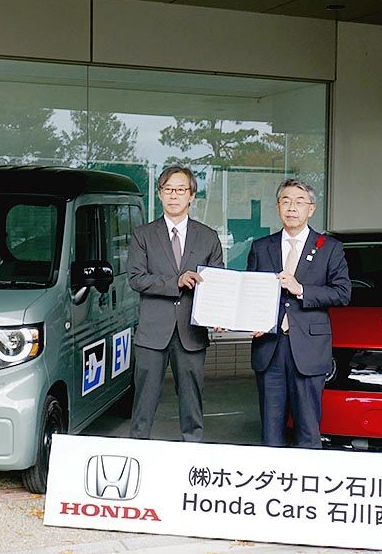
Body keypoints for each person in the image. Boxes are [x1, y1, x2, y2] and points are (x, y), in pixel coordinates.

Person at [248, 178, 351, 448]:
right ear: (277, 207)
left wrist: (301, 289)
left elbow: (342, 293)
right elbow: (251, 294)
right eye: (286, 201)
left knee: (308, 429)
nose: (292, 207)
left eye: (299, 202)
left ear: (311, 209)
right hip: (269, 347)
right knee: (271, 431)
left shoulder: (330, 247)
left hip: (309, 348)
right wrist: (244, 319)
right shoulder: (261, 247)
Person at [127, 166, 224, 441]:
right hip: (152, 333)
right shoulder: (143, 235)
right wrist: (176, 282)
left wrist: (221, 313)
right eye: (168, 189)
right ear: (159, 194)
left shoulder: (208, 236)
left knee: (192, 405)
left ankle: (192, 453)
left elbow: (218, 283)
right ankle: (138, 452)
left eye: (181, 190)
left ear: (191, 196)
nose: (174, 195)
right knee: (143, 404)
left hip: (191, 333)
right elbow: (136, 278)